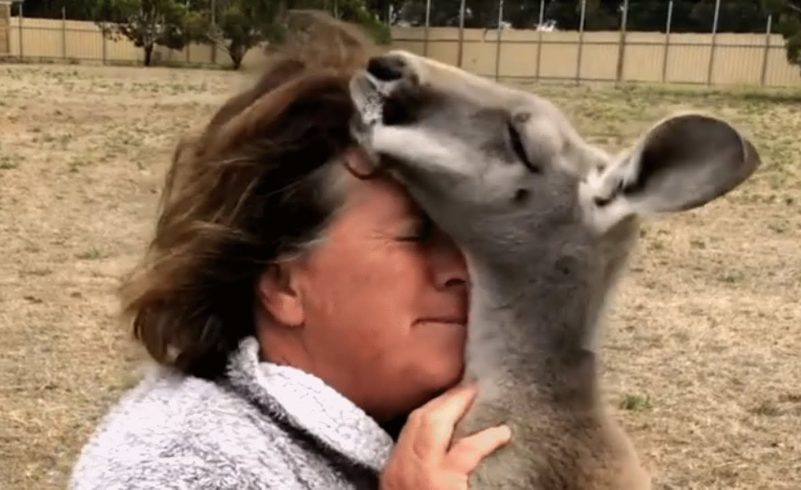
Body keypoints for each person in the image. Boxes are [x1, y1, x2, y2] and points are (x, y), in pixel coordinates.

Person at [69, 14, 511, 490]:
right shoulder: (175, 469)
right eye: (418, 234)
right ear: (283, 284)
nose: (464, 269)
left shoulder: (440, 432)